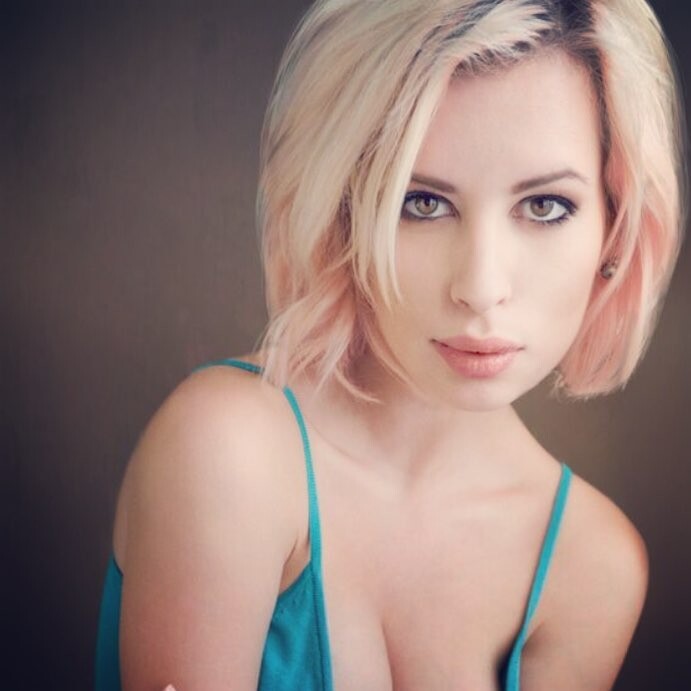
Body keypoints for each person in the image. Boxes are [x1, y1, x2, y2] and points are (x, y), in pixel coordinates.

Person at [95, 0, 685, 689]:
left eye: (544, 205)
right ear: (342, 209)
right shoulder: (229, 452)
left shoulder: (592, 568)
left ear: (615, 227)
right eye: (421, 202)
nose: (480, 287)